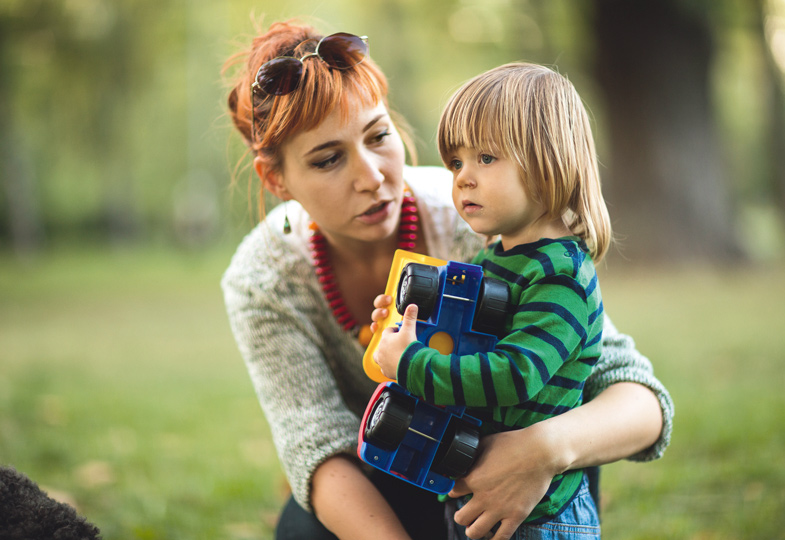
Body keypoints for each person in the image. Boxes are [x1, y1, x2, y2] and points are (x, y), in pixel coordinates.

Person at [220, 19, 674, 540]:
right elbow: (316, 445)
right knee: (303, 531)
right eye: (328, 159)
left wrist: (539, 453)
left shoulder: (480, 213)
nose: (371, 176)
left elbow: (634, 396)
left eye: (378, 136)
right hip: (395, 476)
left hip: (530, 475)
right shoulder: (263, 280)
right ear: (276, 179)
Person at [372, 62, 613, 538]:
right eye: (456, 162)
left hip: (539, 518)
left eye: (485, 158)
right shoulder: (496, 256)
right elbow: (469, 345)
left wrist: (414, 365)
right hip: (476, 490)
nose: (463, 178)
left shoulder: (559, 273)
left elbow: (516, 375)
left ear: (550, 159)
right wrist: (412, 330)